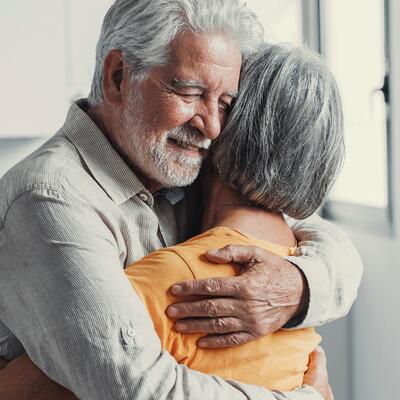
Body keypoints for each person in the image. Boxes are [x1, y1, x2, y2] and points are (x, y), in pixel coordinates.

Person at [0, 1, 362, 399]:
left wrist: (299, 284)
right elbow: (140, 389)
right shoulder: (49, 200)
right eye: (190, 92)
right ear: (118, 76)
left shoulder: (179, 167)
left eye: (226, 104)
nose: (211, 125)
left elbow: (306, 234)